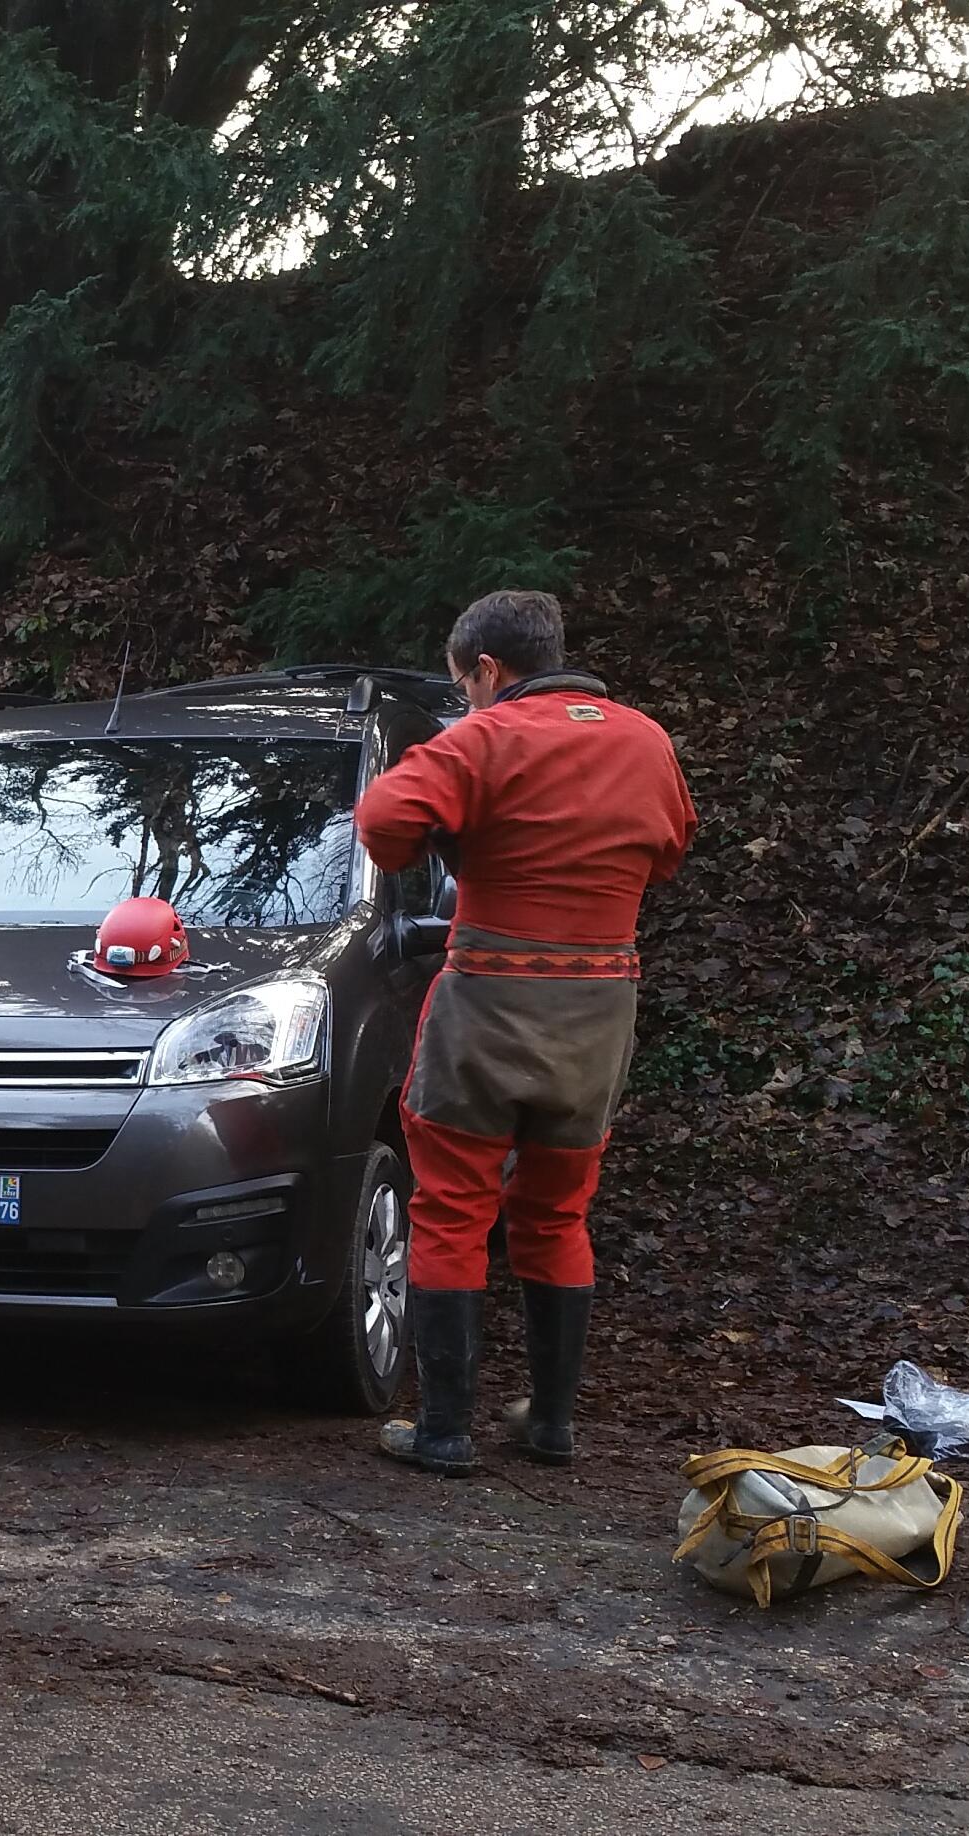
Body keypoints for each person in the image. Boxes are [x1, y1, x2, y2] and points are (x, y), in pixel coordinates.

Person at [354, 590, 697, 1476]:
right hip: (599, 1012)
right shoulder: (646, 741)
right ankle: (550, 1425)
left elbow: (383, 822)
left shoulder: (484, 739)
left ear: (488, 669)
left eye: (461, 683)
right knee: (556, 1210)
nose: (465, 698)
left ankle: (445, 1431)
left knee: (452, 1207)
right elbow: (669, 851)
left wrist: (447, 845)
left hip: (490, 1002)